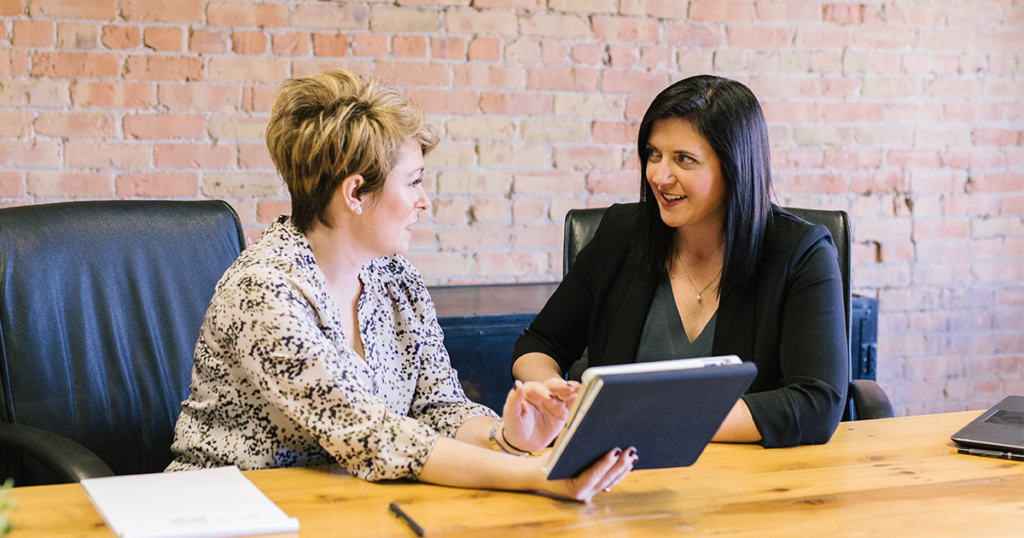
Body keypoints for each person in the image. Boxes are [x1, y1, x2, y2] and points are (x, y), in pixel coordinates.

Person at [166, 69, 635, 501]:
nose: (424, 201)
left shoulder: (394, 277)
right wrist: (537, 474)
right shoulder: (264, 290)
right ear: (355, 193)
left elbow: (439, 406)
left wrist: (508, 437)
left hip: (347, 504)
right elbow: (372, 435)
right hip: (227, 509)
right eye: (413, 182)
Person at [511, 75, 847, 448]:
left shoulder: (801, 253)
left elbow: (816, 402)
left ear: (735, 166)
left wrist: (650, 419)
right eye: (654, 154)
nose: (659, 175)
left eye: (684, 160)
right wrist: (551, 394)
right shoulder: (621, 235)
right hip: (617, 472)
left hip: (746, 478)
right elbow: (538, 344)